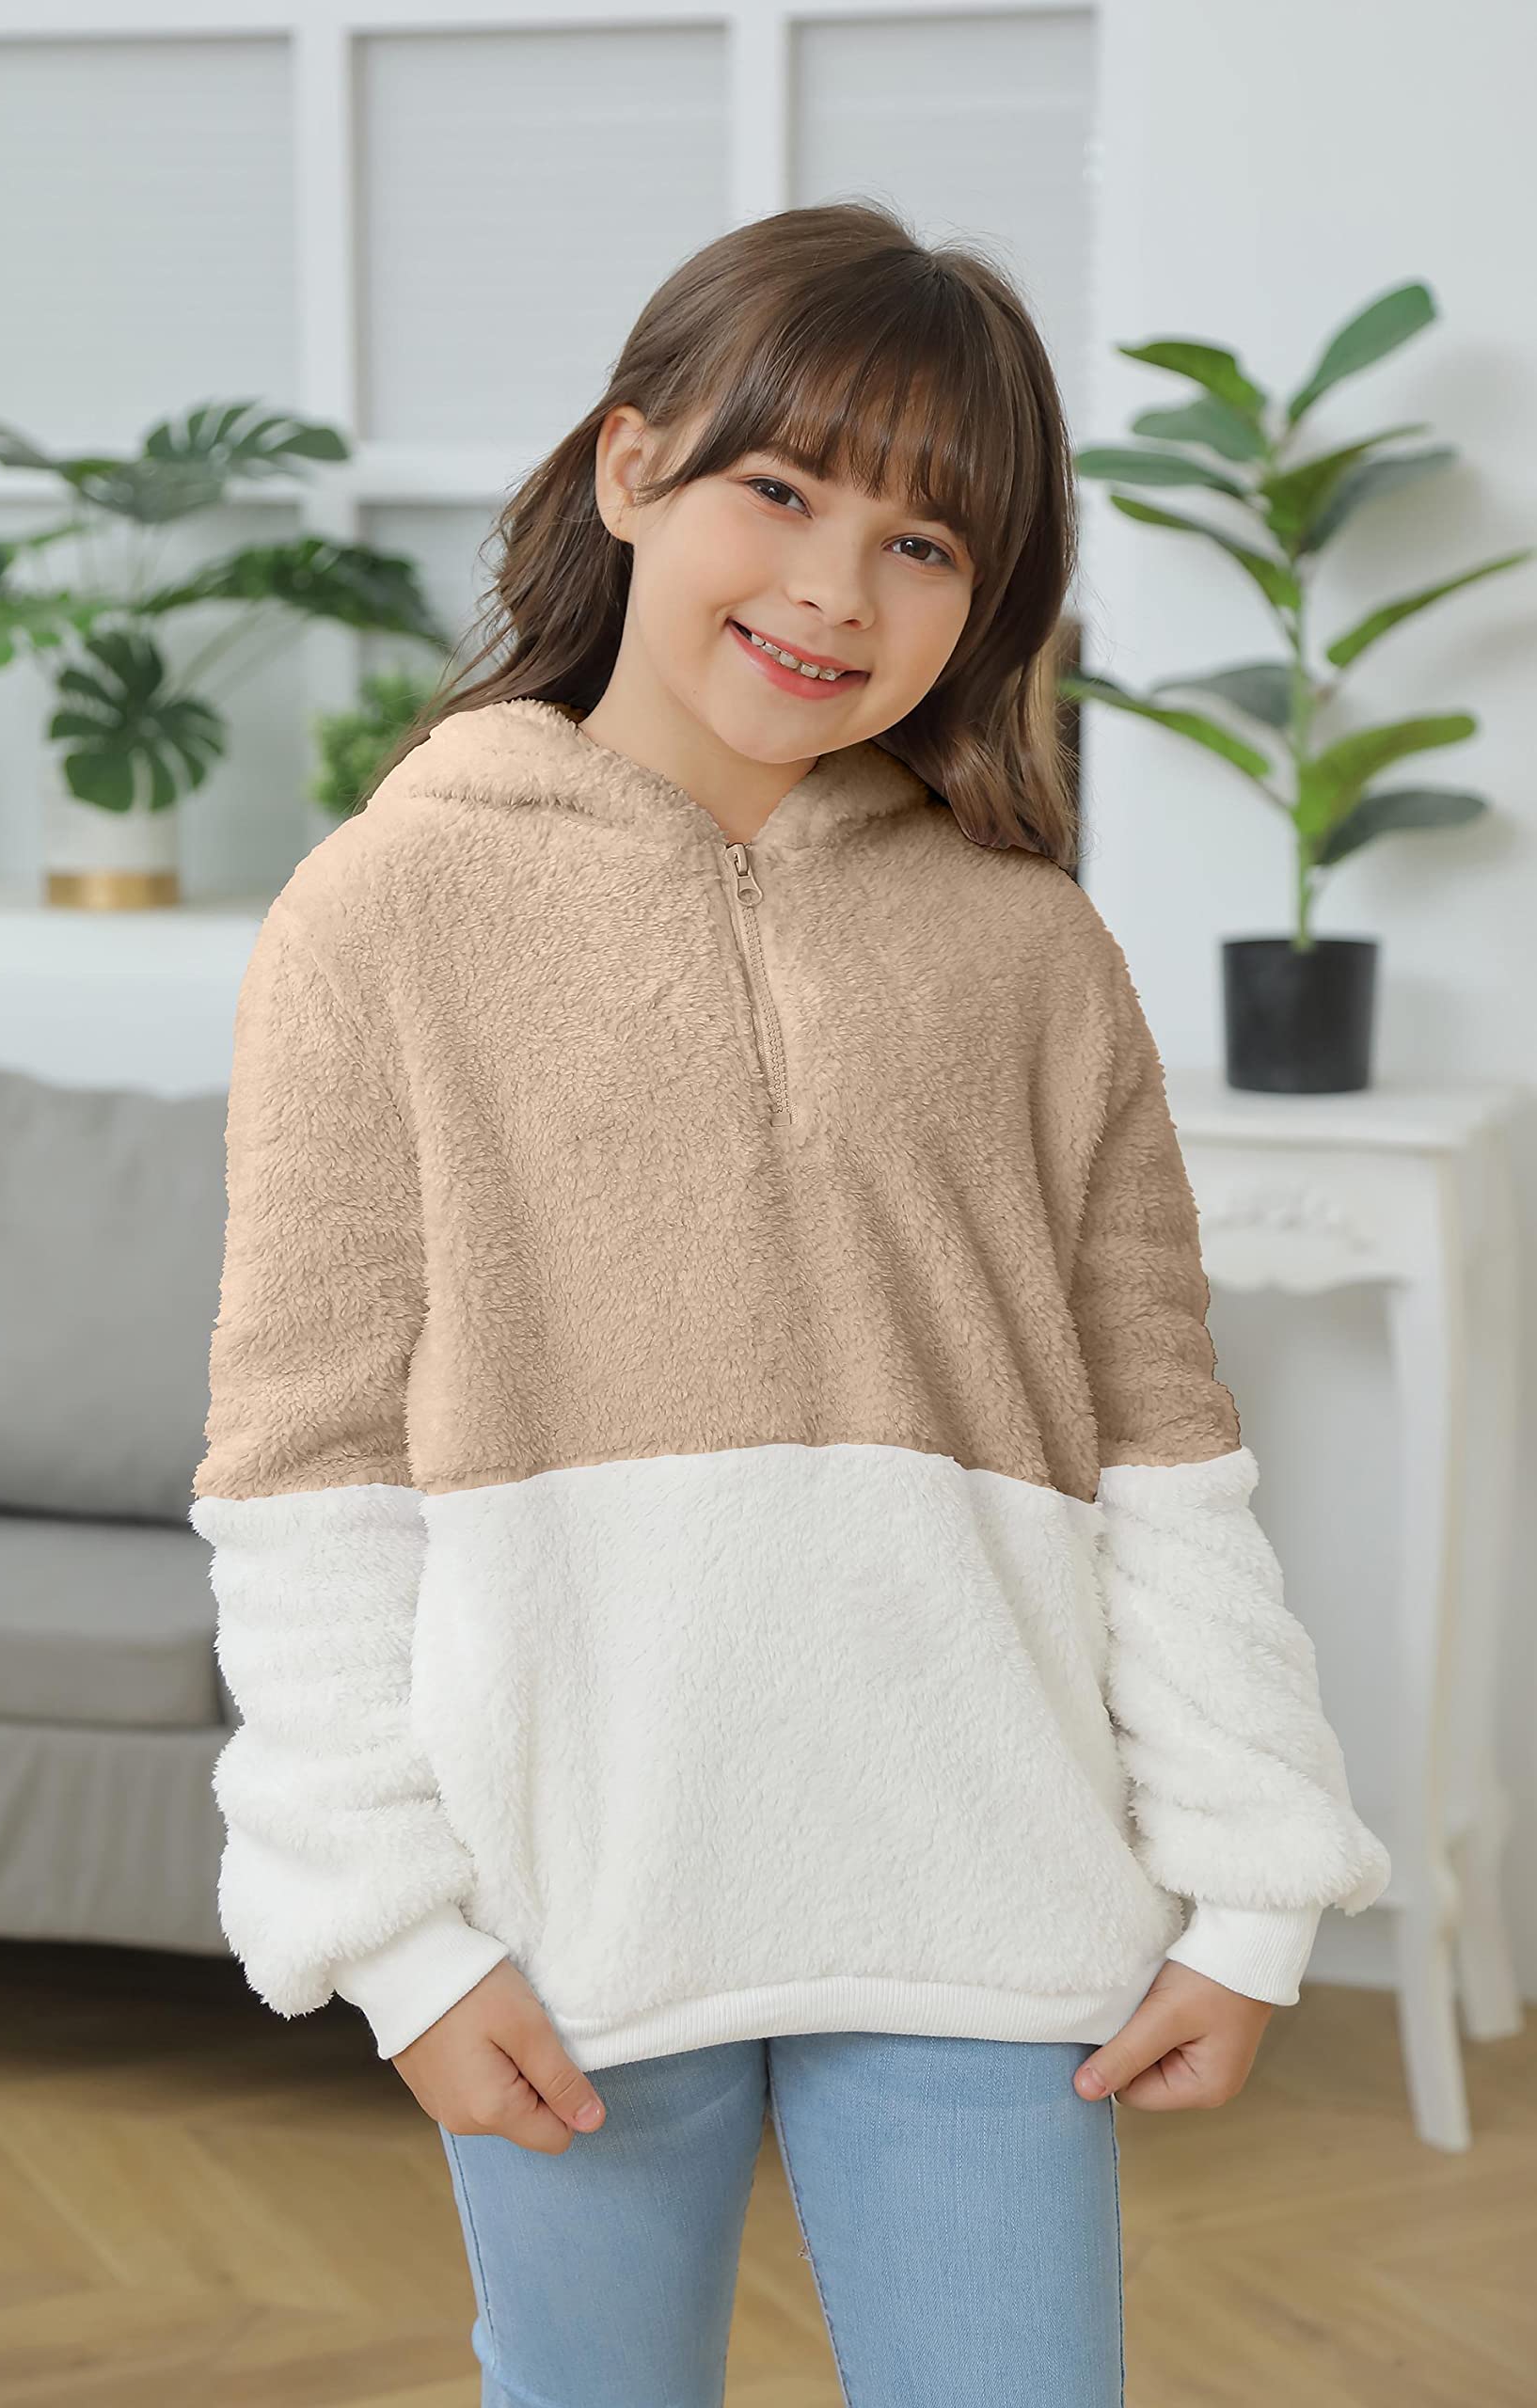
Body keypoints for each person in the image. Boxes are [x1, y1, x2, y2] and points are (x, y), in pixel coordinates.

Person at [189, 199, 1390, 2407]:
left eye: (924, 543)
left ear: (988, 601)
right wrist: (389, 1927)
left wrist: (1246, 1881)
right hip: (566, 1901)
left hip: (982, 1885)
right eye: (779, 489)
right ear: (627, 467)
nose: (837, 587)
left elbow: (1158, 1429)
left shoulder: (1029, 949)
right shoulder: (381, 911)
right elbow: (304, 1463)